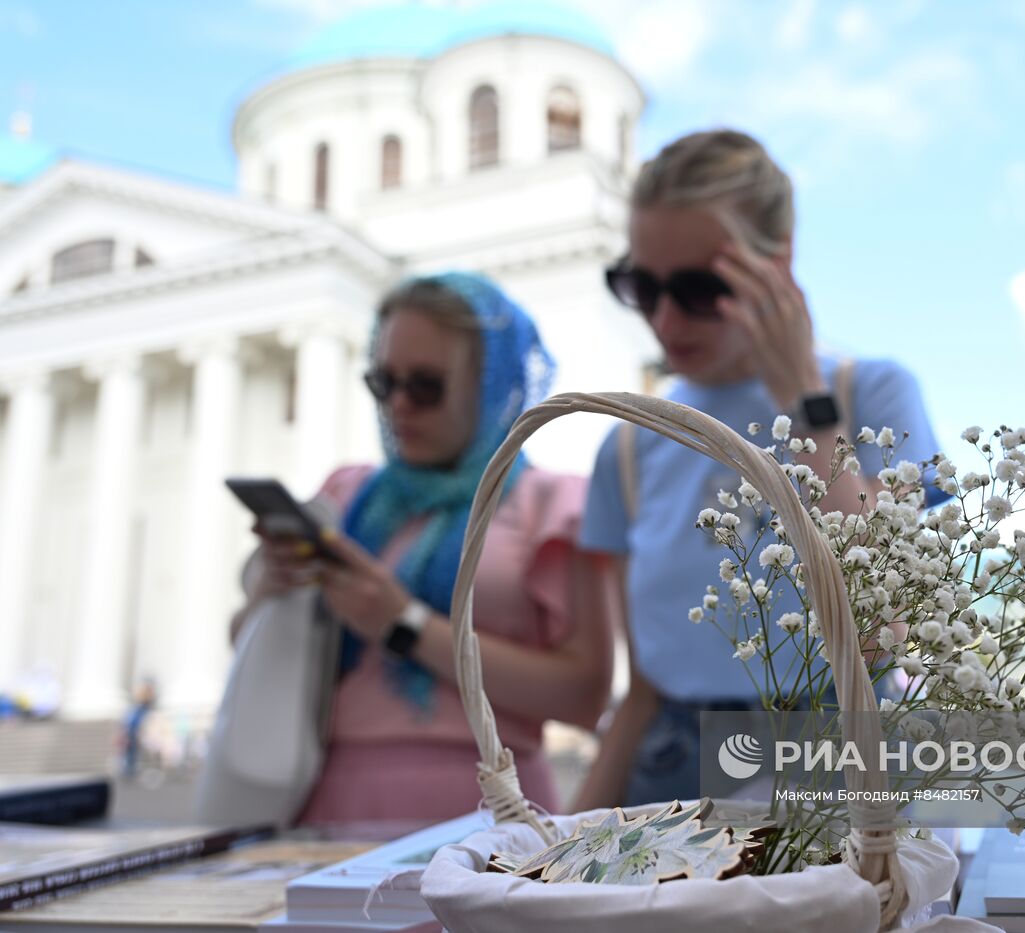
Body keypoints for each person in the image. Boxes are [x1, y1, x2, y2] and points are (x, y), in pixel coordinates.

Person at [573, 130, 948, 809]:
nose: (664, 316)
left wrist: (807, 406)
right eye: (641, 285)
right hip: (668, 767)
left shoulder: (873, 394)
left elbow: (883, 625)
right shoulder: (630, 444)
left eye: (697, 287)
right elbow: (644, 688)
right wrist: (553, 860)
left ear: (777, 262)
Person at [229, 272, 614, 836]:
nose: (399, 406)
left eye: (426, 386)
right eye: (383, 383)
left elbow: (585, 693)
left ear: (489, 383)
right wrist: (272, 590)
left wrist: (403, 623)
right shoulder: (345, 495)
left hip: (490, 810)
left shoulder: (549, 501)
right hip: (325, 804)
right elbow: (244, 640)